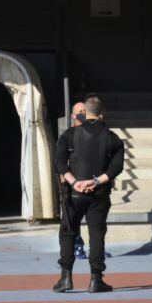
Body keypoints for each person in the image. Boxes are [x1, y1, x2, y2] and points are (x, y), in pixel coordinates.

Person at [52, 95, 125, 294]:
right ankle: (96, 279)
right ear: (103, 112)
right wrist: (96, 181)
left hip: (73, 194)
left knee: (67, 232)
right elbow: (116, 167)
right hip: (99, 194)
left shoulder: (69, 134)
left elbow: (59, 163)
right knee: (97, 235)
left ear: (85, 112)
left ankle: (65, 277)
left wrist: (75, 183)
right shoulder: (112, 137)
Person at [68, 101, 89, 260]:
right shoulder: (69, 135)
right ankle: (76, 247)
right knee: (73, 218)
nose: (84, 113)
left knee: (96, 220)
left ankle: (97, 249)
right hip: (74, 183)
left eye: (85, 110)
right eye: (80, 111)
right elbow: (62, 162)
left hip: (91, 183)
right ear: (74, 115)